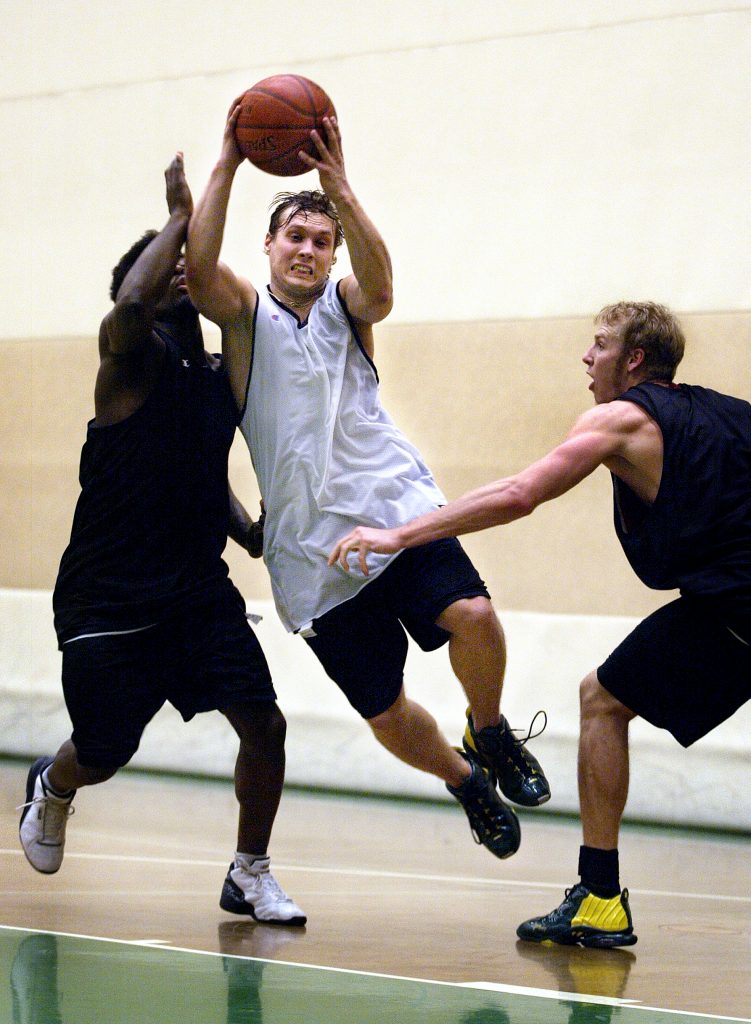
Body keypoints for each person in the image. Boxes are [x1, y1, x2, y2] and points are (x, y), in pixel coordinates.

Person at [185, 102, 551, 864]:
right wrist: (226, 162)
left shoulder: (348, 309)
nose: (309, 250)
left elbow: (381, 290)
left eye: (322, 241)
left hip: (395, 509)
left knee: (474, 616)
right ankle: (463, 781)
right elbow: (195, 271)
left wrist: (337, 186)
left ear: (333, 253)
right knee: (384, 712)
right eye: (296, 236)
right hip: (312, 554)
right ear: (271, 244)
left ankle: (486, 728)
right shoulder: (247, 318)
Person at [330, 300, 751, 947]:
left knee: (601, 701)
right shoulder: (733, 414)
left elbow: (517, 494)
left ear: (633, 359)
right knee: (606, 694)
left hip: (735, 610)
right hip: (724, 609)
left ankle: (601, 899)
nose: (587, 357)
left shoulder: (619, 420)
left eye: (600, 344)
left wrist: (399, 534)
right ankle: (597, 896)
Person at [18, 153, 305, 926]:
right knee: (106, 751)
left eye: (189, 263)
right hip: (107, 595)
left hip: (193, 590)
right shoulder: (126, 363)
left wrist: (246, 532)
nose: (183, 272)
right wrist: (180, 216)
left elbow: (198, 475)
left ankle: (249, 871)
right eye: (167, 266)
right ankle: (55, 783)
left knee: (264, 723)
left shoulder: (213, 375)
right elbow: (134, 309)